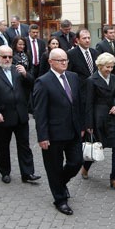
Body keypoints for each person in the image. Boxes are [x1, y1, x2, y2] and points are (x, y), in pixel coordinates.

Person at [32, 48, 84, 215]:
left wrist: (82, 125)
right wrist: (43, 136)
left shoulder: (73, 77)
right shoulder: (43, 82)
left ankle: (60, 183)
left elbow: (78, 104)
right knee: (53, 167)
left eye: (66, 60)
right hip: (53, 134)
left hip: (73, 130)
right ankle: (60, 200)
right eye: (60, 60)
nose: (64, 62)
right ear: (50, 62)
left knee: (76, 162)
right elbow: (39, 112)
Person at [0, 45, 41, 185]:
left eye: (10, 56)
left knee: (24, 145)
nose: (8, 59)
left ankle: (27, 173)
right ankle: (5, 172)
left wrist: (26, 74)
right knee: (3, 146)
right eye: (4, 57)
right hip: (2, 116)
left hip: (20, 114)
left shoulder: (17, 69)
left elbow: (33, 84)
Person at [80, 53, 115, 192]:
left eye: (112, 67)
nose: (110, 70)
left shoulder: (114, 77)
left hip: (113, 117)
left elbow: (114, 96)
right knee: (97, 147)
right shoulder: (91, 80)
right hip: (98, 118)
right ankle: (85, 167)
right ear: (100, 66)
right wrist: (89, 125)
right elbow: (88, 104)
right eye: (107, 67)